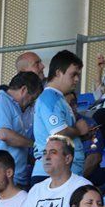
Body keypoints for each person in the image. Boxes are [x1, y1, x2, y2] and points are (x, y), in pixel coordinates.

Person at [0, 72, 40, 192]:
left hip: (15, 178)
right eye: (32, 98)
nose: (32, 103)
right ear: (24, 90)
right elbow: (5, 135)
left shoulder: (17, 108)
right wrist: (35, 144)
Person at [31, 50, 87, 182]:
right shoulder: (49, 98)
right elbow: (59, 133)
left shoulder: (58, 98)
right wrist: (79, 131)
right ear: (58, 73)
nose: (77, 79)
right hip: (51, 175)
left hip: (63, 172)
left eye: (78, 75)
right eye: (73, 74)